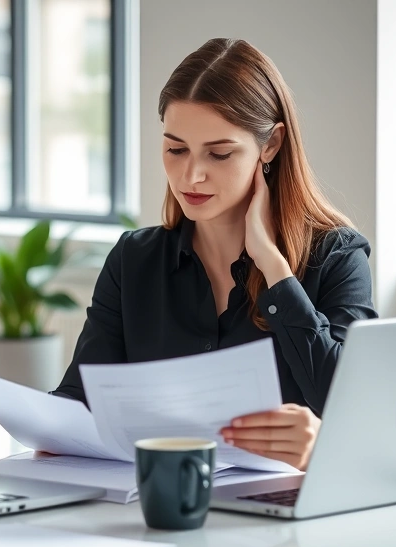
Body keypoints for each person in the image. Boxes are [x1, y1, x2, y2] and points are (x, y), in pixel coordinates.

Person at [50, 38, 377, 470]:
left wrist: (275, 270)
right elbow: (81, 399)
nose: (191, 175)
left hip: (287, 519)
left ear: (272, 145)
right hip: (157, 510)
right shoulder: (134, 261)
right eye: (176, 149)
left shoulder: (336, 256)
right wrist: (48, 428)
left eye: (219, 154)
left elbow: (355, 412)